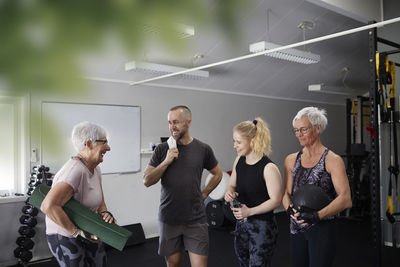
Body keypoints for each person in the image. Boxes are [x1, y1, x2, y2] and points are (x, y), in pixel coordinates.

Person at [143, 105, 223, 267]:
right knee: (173, 265)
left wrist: (205, 193)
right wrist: (166, 161)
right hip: (169, 218)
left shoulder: (203, 149)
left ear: (188, 122)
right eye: (169, 122)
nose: (172, 126)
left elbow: (218, 174)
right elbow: (147, 180)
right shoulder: (162, 149)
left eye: (176, 122)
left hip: (196, 219)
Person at [282, 107, 352, 267]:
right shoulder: (291, 160)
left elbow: (346, 199)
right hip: (297, 227)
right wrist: (288, 210)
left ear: (318, 127)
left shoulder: (332, 160)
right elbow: (286, 193)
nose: (299, 134)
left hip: (323, 228)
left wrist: (317, 216)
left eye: (304, 129)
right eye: (296, 130)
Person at [40, 121, 116, 267]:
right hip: (65, 235)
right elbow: (48, 206)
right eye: (104, 142)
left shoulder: (95, 168)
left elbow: (100, 201)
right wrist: (76, 233)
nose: (108, 147)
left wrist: (105, 212)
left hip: (88, 230)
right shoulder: (75, 171)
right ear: (89, 143)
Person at [224, 117, 282, 267]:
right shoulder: (239, 160)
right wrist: (229, 192)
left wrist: (249, 212)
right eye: (234, 141)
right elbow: (231, 185)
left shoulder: (269, 168)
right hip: (242, 224)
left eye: (238, 142)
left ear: (252, 141)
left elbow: (276, 200)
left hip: (263, 227)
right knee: (243, 263)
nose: (234, 145)